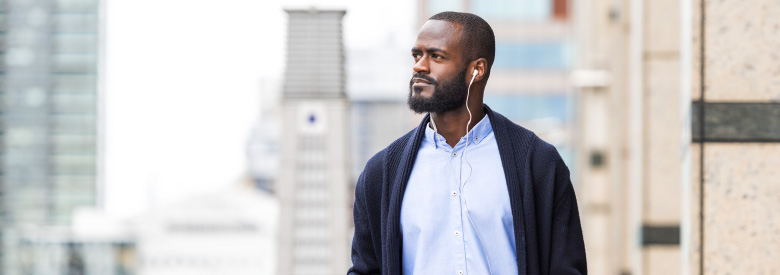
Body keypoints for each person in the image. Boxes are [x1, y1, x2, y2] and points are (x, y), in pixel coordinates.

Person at [347, 11, 586, 275]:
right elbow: (364, 269)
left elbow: (566, 267)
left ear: (477, 69)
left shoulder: (538, 163)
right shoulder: (381, 173)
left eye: (436, 56)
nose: (419, 66)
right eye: (417, 55)